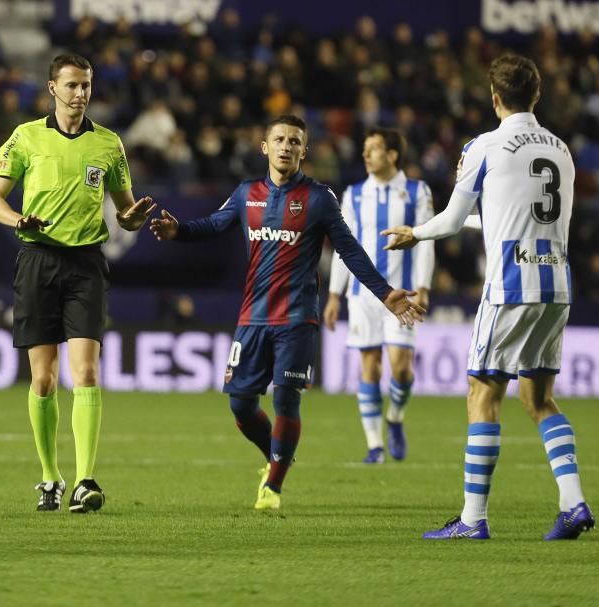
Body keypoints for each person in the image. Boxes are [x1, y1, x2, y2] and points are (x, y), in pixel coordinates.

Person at [150, 115, 425, 510]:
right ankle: (277, 455)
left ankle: (273, 486)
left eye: (294, 142)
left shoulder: (318, 198)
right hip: (252, 317)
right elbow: (213, 224)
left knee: (286, 400)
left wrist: (385, 294)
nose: (286, 147)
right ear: (264, 147)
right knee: (240, 404)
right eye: (278, 139)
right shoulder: (247, 194)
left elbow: (348, 250)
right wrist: (180, 231)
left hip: (297, 319)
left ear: (304, 150)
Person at [383, 55, 595, 540]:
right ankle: (573, 502)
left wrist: (415, 233)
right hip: (556, 284)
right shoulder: (561, 149)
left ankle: (473, 518)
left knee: (483, 392)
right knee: (539, 397)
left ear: (495, 97)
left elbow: (454, 221)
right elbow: (528, 217)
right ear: (536, 96)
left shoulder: (485, 145)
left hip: (509, 287)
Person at [0, 53, 155, 513]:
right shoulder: (25, 138)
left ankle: (84, 480)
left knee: (88, 373)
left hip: (86, 265)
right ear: (52, 88)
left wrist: (132, 218)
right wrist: (19, 218)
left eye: (86, 85)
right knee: (44, 379)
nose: (80, 93)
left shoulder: (109, 145)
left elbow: (125, 211)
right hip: (37, 259)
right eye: (72, 85)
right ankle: (49, 477)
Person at [324, 127, 434, 464]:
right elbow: (345, 247)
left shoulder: (417, 191)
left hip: (404, 292)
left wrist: (425, 287)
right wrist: (334, 294)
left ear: (392, 155)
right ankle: (375, 446)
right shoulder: (355, 194)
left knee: (401, 369)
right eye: (364, 148)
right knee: (369, 368)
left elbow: (427, 241)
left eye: (373, 149)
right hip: (363, 295)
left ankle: (395, 418)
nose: (366, 155)